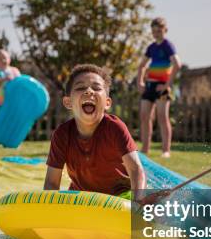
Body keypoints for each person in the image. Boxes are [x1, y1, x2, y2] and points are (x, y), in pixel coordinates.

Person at [44, 64, 146, 199]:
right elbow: (52, 182)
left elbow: (136, 170)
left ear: (107, 103)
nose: (89, 91)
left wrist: (138, 201)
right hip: (82, 197)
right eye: (80, 87)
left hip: (120, 197)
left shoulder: (115, 128)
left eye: (97, 88)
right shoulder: (62, 135)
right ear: (68, 102)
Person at [136, 17, 182, 158]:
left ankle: (166, 150)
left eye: (159, 30)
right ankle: (145, 149)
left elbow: (177, 64)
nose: (157, 33)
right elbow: (142, 65)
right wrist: (140, 82)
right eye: (154, 31)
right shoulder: (151, 47)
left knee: (162, 117)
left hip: (162, 88)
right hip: (150, 86)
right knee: (144, 116)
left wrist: (167, 84)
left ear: (165, 30)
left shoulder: (168, 46)